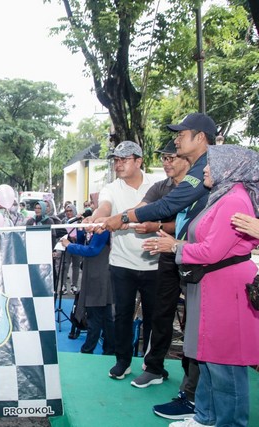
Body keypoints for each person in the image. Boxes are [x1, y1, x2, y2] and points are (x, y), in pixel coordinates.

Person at [101, 113, 216, 419]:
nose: (176, 143)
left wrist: (126, 220)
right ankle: (188, 393)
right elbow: (154, 208)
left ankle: (197, 401)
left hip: (210, 263)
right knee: (187, 326)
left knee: (202, 330)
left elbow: (167, 209)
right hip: (187, 259)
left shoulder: (209, 168)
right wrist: (117, 218)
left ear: (200, 137)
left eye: (181, 136)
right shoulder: (197, 172)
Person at [143, 145, 259, 427]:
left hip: (227, 289)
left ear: (228, 169)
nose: (205, 169)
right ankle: (206, 417)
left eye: (211, 164)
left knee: (226, 365)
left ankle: (230, 423)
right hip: (213, 286)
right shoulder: (222, 197)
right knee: (208, 358)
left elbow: (211, 251)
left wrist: (175, 247)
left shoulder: (234, 200)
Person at [85, 140, 160, 380]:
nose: (118, 164)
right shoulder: (111, 188)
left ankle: (152, 365)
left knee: (153, 318)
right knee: (122, 316)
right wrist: (95, 219)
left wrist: (119, 219)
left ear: (139, 161)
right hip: (122, 264)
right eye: (116, 160)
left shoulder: (156, 186)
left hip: (155, 263)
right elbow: (103, 208)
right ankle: (123, 361)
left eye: (124, 160)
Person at [128, 141, 191, 389]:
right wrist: (115, 219)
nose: (166, 162)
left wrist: (158, 227)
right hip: (166, 254)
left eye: (171, 157)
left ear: (187, 159)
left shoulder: (197, 186)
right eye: (163, 158)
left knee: (194, 319)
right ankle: (154, 367)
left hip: (194, 256)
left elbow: (185, 223)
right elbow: (141, 210)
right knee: (160, 313)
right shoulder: (160, 186)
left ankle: (192, 376)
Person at [62, 227, 114, 355]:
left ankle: (87, 350)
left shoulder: (104, 230)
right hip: (96, 277)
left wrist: (69, 246)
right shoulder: (95, 231)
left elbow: (92, 250)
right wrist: (80, 230)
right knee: (106, 318)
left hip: (99, 279)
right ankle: (109, 350)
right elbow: (82, 244)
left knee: (95, 317)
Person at [62, 202, 82, 293]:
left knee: (76, 266)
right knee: (65, 265)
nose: (68, 213)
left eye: (70, 210)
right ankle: (63, 286)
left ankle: (74, 286)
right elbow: (61, 233)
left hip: (77, 245)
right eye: (67, 211)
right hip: (66, 246)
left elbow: (82, 233)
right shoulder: (63, 221)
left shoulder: (79, 221)